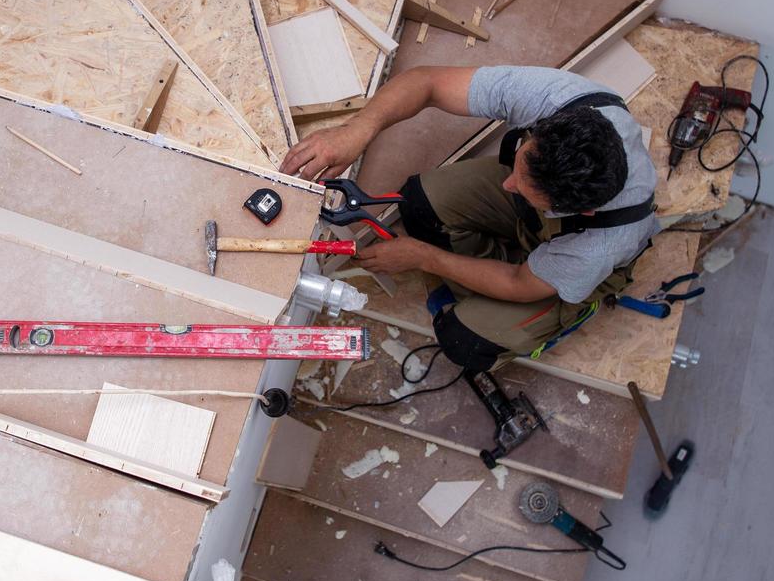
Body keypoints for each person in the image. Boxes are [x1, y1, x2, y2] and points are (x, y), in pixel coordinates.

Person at [281, 65, 658, 372]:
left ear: (580, 209)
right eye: (521, 162)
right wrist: (357, 131)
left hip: (564, 261)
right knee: (418, 204)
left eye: (525, 188)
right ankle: (498, 254)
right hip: (555, 218)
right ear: (546, 128)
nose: (507, 184)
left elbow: (518, 283)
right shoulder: (563, 100)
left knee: (464, 342)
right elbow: (427, 82)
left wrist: (424, 258)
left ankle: (549, 296)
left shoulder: (597, 247)